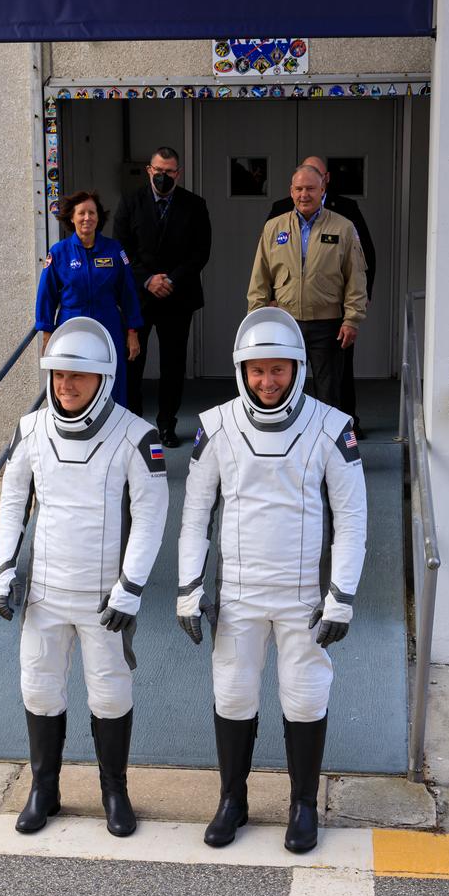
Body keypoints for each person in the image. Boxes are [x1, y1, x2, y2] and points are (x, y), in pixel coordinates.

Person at [176, 308, 367, 854]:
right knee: (233, 696)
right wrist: (190, 588)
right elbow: (194, 518)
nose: (267, 382)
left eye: (278, 370)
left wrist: (342, 597)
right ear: (242, 370)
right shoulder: (215, 427)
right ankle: (232, 800)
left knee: (305, 699)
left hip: (304, 596)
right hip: (238, 595)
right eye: (257, 371)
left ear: (298, 368)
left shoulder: (332, 428)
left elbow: (352, 520)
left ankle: (303, 805)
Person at [0, 317, 169, 839]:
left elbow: (153, 515)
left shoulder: (137, 437)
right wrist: (2, 571)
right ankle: (45, 789)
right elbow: (13, 503)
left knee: (109, 694)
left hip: (104, 599)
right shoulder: (30, 429)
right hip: (44, 595)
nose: (66, 386)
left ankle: (114, 790)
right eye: (59, 375)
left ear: (103, 379)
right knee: (40, 690)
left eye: (79, 377)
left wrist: (131, 586)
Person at [266, 155, 376, 433]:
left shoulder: (343, 225)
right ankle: (291, 448)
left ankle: (331, 453)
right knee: (286, 389)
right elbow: (261, 275)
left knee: (330, 394)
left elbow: (357, 274)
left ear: (323, 188)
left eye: (311, 188)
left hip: (328, 324)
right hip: (287, 324)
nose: (304, 194)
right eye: (299, 189)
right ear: (291, 191)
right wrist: (261, 318)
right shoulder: (275, 226)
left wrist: (353, 317)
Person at [113, 146, 212, 447]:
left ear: (178, 173)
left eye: (170, 171)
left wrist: (170, 279)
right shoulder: (130, 202)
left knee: (173, 366)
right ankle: (133, 425)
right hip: (139, 299)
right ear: (149, 170)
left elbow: (200, 253)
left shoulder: (195, 205)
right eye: (158, 170)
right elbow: (121, 249)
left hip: (178, 297)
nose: (163, 176)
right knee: (133, 363)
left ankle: (167, 425)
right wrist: (146, 280)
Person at [36, 190, 142, 408]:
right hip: (71, 326)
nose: (87, 218)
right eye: (81, 213)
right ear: (71, 218)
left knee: (113, 378)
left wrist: (132, 332)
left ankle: (115, 430)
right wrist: (47, 334)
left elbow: (128, 293)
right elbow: (46, 296)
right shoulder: (59, 252)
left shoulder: (114, 250)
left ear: (98, 217)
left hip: (109, 325)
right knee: (75, 380)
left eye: (92, 213)